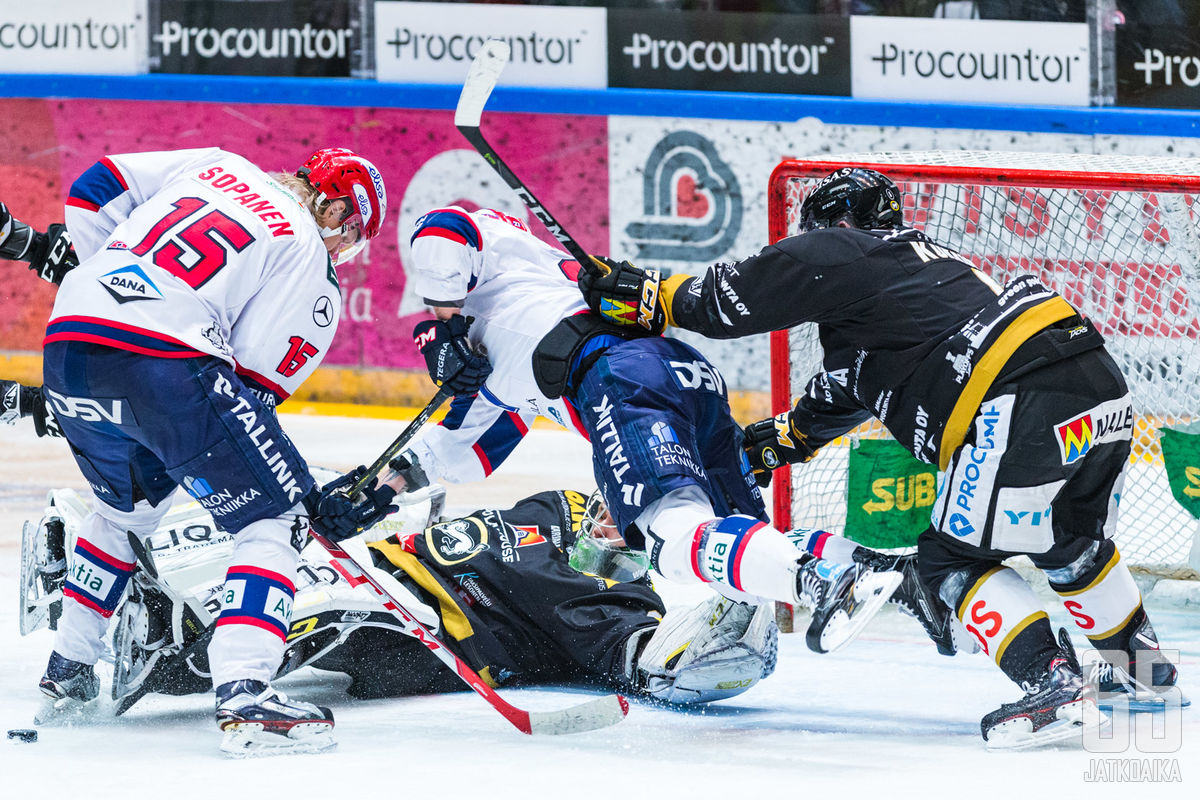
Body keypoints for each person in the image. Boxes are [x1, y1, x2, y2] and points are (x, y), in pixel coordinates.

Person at [577, 167, 1188, 748]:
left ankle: (1054, 686)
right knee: (1072, 547)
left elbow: (725, 301)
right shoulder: (916, 286)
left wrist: (650, 294)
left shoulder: (847, 249)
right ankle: (1147, 676)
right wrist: (765, 446)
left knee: (950, 562)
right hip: (1095, 384)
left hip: (1017, 391)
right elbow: (838, 398)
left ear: (835, 224)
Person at [337, 204, 945, 658]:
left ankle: (829, 579)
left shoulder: (486, 287)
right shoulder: (500, 356)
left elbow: (445, 227)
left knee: (672, 539)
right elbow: (458, 450)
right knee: (742, 534)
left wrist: (442, 325)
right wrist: (371, 492)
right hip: (683, 372)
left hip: (620, 378)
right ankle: (891, 575)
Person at [2, 146, 389, 755]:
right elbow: (251, 394)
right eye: (350, 236)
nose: (343, 250)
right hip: (164, 365)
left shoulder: (216, 165)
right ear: (336, 206)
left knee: (123, 514)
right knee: (275, 515)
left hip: (69, 340)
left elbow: (93, 186)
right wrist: (304, 492)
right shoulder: (310, 257)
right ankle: (245, 694)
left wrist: (111, 279)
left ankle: (68, 673)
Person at [18, 483, 779, 713]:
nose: (623, 509)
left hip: (413, 630)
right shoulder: (563, 501)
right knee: (259, 537)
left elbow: (654, 667)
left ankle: (164, 644)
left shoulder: (624, 604)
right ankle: (106, 572)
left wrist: (736, 629)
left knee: (320, 619)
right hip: (385, 557)